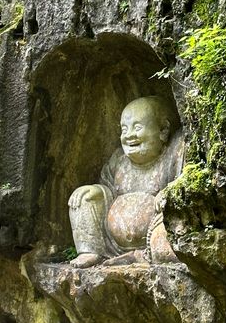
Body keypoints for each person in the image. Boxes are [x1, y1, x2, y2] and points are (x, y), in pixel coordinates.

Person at [68, 96, 183, 267]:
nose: (129, 135)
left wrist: (168, 193)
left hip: (156, 229)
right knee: (84, 198)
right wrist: (97, 191)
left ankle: (143, 255)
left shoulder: (173, 154)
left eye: (137, 127)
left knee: (164, 250)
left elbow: (185, 185)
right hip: (112, 243)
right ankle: (91, 251)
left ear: (163, 130)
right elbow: (108, 188)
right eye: (124, 129)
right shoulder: (118, 160)